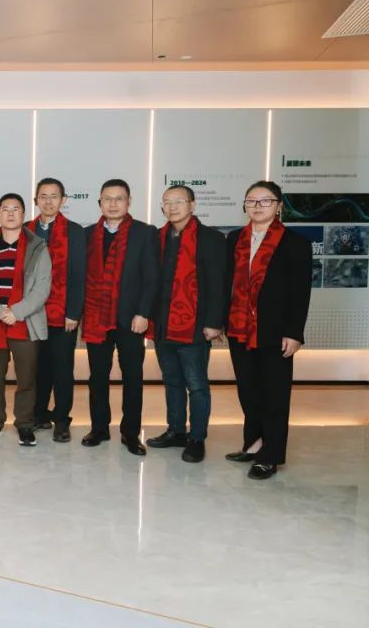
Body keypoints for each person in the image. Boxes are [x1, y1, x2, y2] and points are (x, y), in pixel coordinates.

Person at [224, 180, 311, 480]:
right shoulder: (235, 238)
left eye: (265, 201)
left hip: (275, 331)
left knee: (275, 394)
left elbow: (300, 293)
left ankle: (270, 455)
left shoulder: (295, 243)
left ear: (278, 206)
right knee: (248, 390)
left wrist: (294, 332)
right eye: (251, 201)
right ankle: (253, 444)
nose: (257, 206)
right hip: (239, 327)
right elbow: (227, 284)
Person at [146, 185, 226, 463]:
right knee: (172, 382)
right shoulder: (158, 238)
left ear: (192, 205)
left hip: (195, 325)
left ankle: (197, 438)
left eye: (179, 201)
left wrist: (214, 322)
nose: (172, 207)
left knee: (197, 385)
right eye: (167, 202)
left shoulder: (211, 238)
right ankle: (176, 431)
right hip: (163, 323)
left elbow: (218, 284)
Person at [81, 179, 159, 457]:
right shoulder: (87, 234)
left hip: (131, 319)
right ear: (100, 202)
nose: (113, 204)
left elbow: (151, 277)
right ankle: (99, 428)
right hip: (96, 317)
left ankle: (130, 433)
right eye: (107, 198)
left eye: (119, 198)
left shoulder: (144, 233)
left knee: (133, 377)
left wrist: (144, 313)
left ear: (129, 202)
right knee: (97, 377)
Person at [0, 193, 51, 448]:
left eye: (16, 209)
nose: (10, 213)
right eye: (5, 209)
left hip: (25, 322)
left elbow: (42, 288)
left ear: (24, 214)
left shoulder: (38, 247)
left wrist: (16, 312)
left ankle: (24, 424)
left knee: (27, 378)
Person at [27, 178, 85, 443]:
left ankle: (62, 419)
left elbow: (78, 274)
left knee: (62, 369)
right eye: (43, 196)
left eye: (54, 196)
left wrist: (73, 312)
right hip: (32, 314)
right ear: (36, 200)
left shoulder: (74, 231)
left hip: (63, 314)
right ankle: (39, 414)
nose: (48, 201)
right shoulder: (26, 229)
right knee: (37, 369)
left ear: (63, 200)